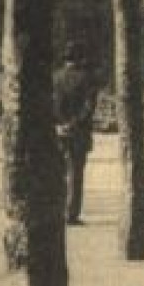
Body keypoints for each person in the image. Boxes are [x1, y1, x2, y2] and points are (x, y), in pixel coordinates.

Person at [53, 43, 100, 225]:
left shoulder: (55, 78)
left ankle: (58, 209)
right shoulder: (87, 79)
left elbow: (49, 104)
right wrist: (73, 124)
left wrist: (58, 124)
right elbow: (89, 107)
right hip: (78, 133)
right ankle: (71, 213)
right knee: (76, 173)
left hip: (57, 132)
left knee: (58, 172)